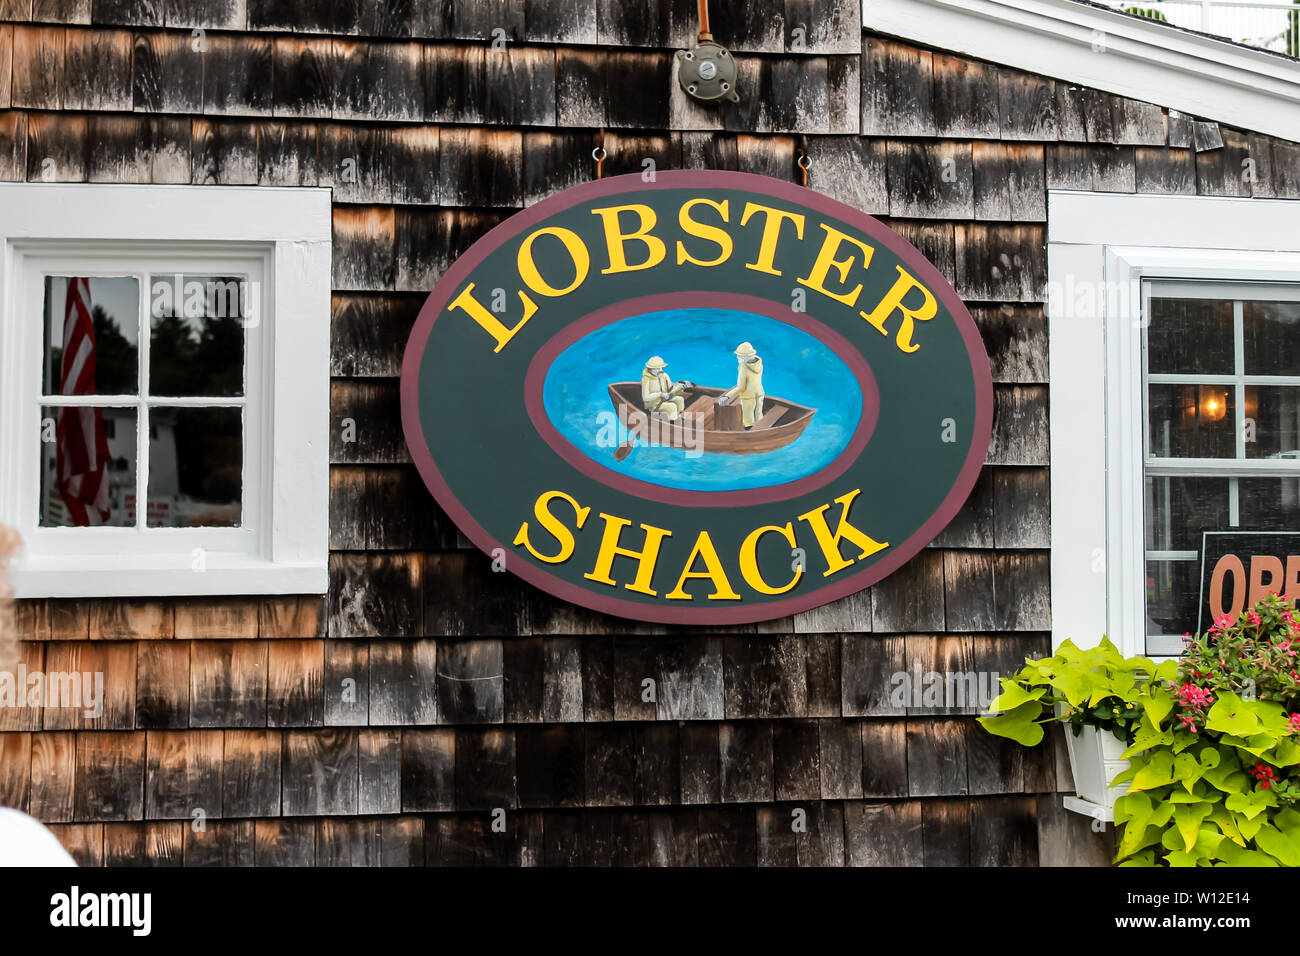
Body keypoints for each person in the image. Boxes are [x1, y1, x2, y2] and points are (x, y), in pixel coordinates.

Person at [718, 341, 765, 429]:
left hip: (748, 395)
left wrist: (727, 396)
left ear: (745, 357)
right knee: (758, 415)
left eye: (739, 356)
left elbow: (741, 387)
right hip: (759, 393)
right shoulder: (759, 362)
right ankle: (762, 429)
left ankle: (749, 433)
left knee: (748, 420)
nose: (737, 357)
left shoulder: (743, 367)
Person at [641, 356, 689, 421]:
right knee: (672, 407)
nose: (659, 370)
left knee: (680, 400)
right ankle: (672, 422)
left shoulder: (664, 375)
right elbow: (645, 397)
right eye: (656, 369)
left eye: (660, 368)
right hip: (654, 405)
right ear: (650, 369)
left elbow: (670, 388)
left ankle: (679, 418)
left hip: (665, 399)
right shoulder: (646, 379)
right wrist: (660, 394)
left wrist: (680, 386)